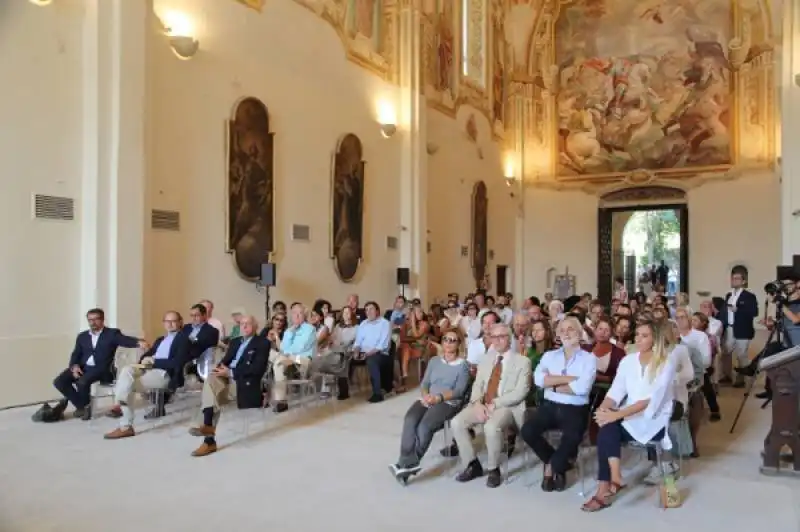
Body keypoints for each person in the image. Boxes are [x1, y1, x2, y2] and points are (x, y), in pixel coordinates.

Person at [581, 320, 677, 512]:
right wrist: (604, 409)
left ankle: (609, 486)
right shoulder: (628, 361)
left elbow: (651, 401)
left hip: (653, 419)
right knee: (606, 428)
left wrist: (616, 415)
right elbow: (616, 391)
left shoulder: (666, 362)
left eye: (644, 336)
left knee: (608, 426)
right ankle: (610, 483)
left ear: (655, 339)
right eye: (637, 335)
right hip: (628, 417)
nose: (638, 339)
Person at [450, 323, 532, 488]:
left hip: (507, 405)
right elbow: (477, 385)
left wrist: (495, 403)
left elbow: (521, 392)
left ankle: (493, 468)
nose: (498, 340)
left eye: (502, 336)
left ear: (509, 339)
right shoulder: (486, 359)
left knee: (491, 427)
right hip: (483, 403)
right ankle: (472, 465)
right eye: (494, 337)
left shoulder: (523, 361)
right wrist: (477, 403)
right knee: (456, 422)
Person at [521, 316, 597, 492]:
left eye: (570, 329)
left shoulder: (589, 358)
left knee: (572, 437)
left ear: (579, 333)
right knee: (528, 430)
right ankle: (556, 463)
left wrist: (552, 383)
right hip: (549, 405)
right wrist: (568, 380)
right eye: (562, 330)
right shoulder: (549, 356)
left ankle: (553, 466)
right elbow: (539, 380)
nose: (566, 333)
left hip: (575, 408)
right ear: (557, 334)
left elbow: (582, 388)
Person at [389, 329, 471, 482]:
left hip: (447, 402)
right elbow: (425, 382)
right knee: (410, 419)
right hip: (429, 398)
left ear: (459, 344)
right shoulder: (434, 361)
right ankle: (406, 464)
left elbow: (459, 391)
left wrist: (438, 398)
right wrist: (426, 395)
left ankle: (405, 465)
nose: (448, 343)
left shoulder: (463, 366)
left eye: (453, 340)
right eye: (446, 339)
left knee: (425, 426)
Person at [43, 308, 147, 422]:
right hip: (83, 367)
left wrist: (138, 342)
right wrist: (75, 366)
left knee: (82, 381)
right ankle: (82, 406)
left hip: (102, 369)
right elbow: (76, 354)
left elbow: (124, 340)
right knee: (59, 381)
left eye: (96, 319)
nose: (93, 322)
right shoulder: (82, 336)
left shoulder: (112, 334)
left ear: (102, 320)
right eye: (90, 320)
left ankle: (84, 408)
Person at [188, 315, 270, 457]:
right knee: (211, 381)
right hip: (225, 378)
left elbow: (258, 370)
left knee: (213, 393)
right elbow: (225, 361)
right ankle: (208, 431)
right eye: (241, 324)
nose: (244, 327)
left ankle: (208, 437)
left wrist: (231, 372)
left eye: (248, 324)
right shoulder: (235, 341)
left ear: (256, 326)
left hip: (243, 383)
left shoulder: (263, 343)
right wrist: (219, 369)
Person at [103, 311, 189, 438]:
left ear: (180, 322)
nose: (170, 324)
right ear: (163, 323)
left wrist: (154, 362)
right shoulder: (161, 339)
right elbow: (147, 354)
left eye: (173, 321)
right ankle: (121, 408)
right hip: (149, 369)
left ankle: (124, 422)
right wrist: (146, 358)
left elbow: (177, 363)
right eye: (167, 321)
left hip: (164, 374)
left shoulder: (183, 339)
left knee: (127, 384)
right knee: (127, 370)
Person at [719, 267, 759, 387]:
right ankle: (727, 375)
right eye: (732, 278)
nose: (734, 280)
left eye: (737, 278)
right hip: (729, 328)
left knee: (741, 354)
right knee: (725, 352)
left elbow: (754, 312)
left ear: (744, 281)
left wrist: (738, 310)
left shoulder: (749, 296)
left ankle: (740, 379)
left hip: (742, 328)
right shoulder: (728, 295)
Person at [350, 301, 393, 403]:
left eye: (371, 309)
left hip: (380, 353)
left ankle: (377, 394)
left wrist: (367, 354)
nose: (368, 312)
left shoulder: (385, 324)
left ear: (377, 311)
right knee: (345, 358)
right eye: (366, 310)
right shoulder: (363, 324)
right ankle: (345, 390)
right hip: (364, 353)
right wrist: (356, 352)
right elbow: (358, 342)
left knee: (371, 361)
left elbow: (381, 346)